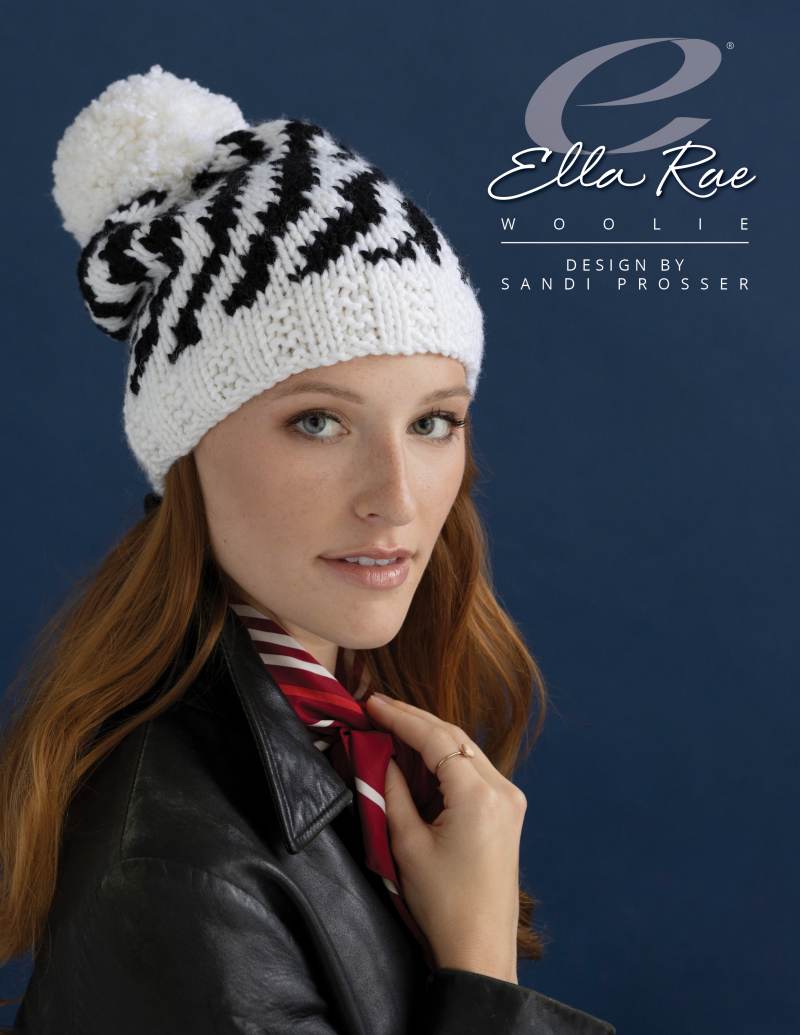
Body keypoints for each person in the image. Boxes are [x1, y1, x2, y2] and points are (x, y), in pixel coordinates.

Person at [0, 66, 616, 1034]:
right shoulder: (180, 873)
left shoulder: (339, 735)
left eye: (433, 422)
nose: (396, 498)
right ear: (188, 448)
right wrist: (479, 968)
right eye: (319, 422)